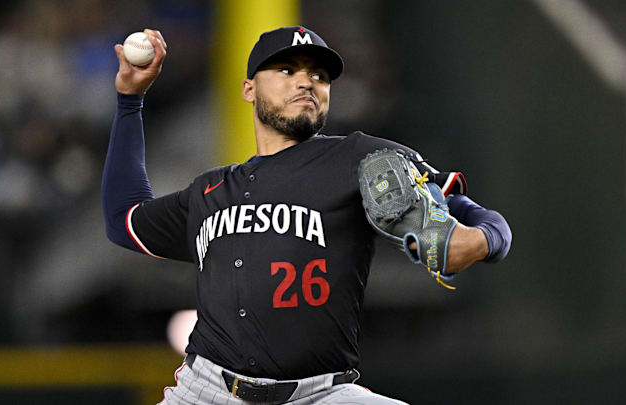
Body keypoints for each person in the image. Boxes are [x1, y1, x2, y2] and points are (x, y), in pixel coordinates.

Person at [102, 26, 511, 405]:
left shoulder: (361, 156)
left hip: (321, 395)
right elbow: (124, 220)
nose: (306, 81)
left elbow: (479, 221)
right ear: (248, 89)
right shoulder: (209, 192)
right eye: (286, 69)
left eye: (319, 75)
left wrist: (481, 240)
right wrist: (129, 100)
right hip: (207, 390)